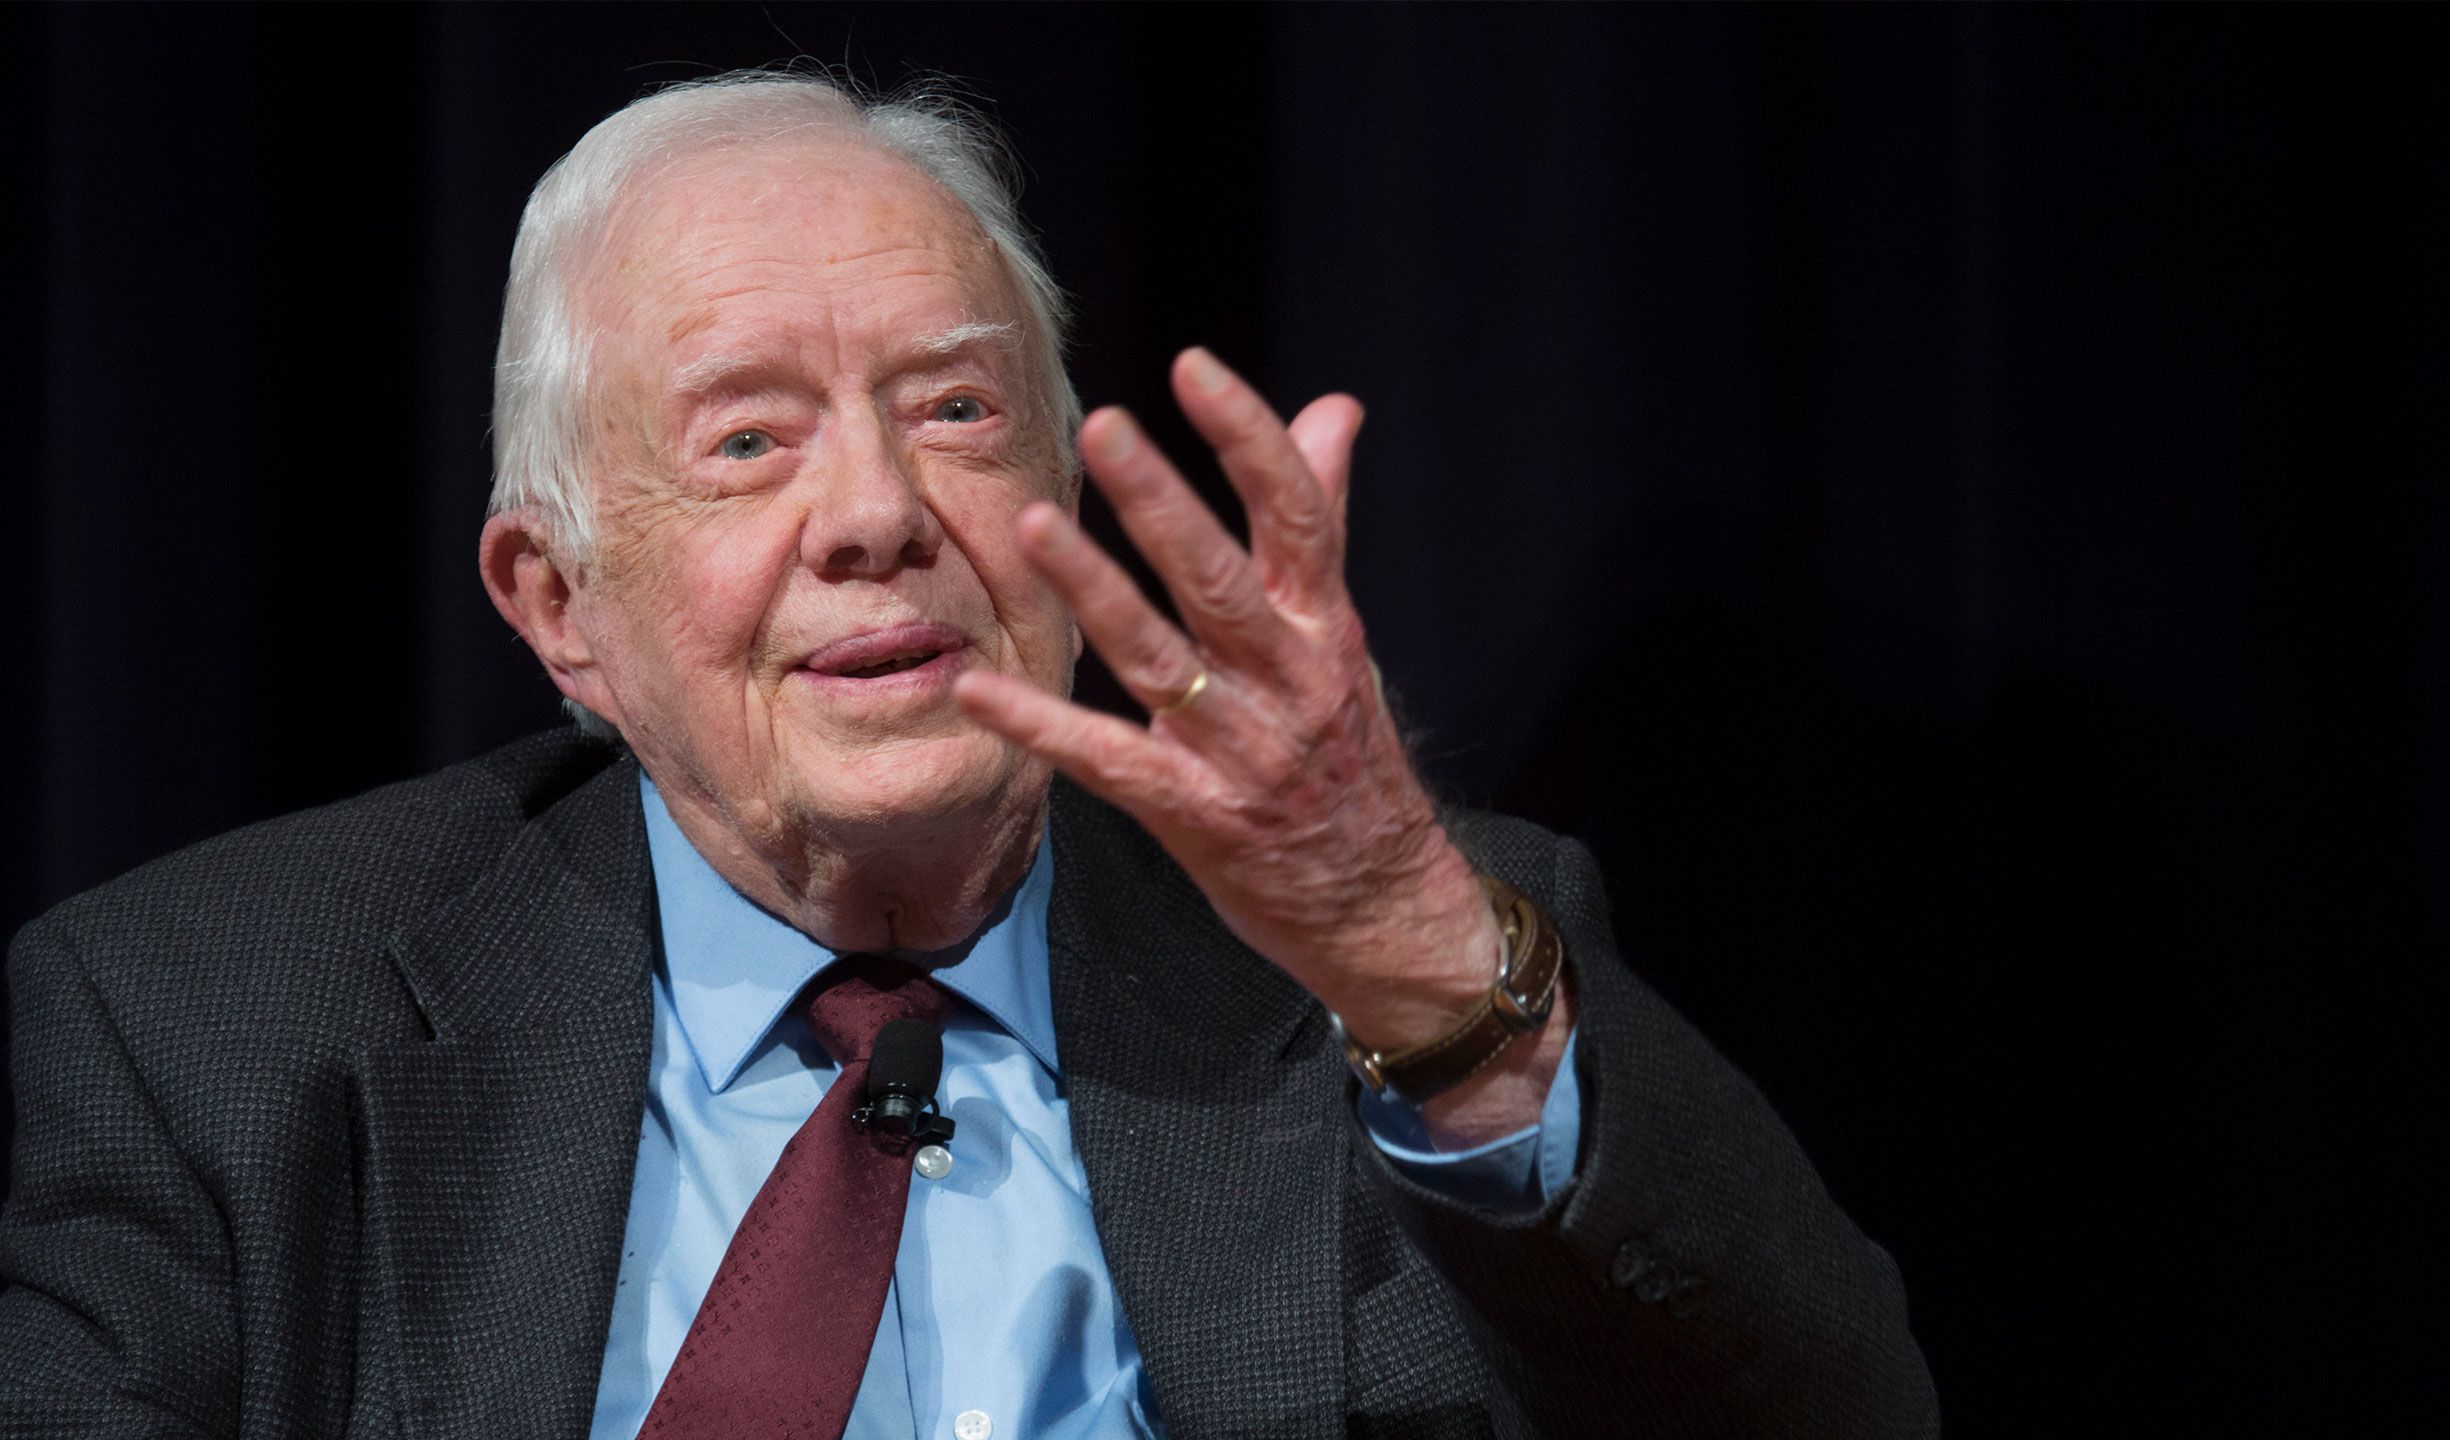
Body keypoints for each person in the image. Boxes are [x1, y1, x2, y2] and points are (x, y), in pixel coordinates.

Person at [0, 72, 1935, 1439]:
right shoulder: (203, 1025)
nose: (878, 511)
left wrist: (1429, 973)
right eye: (750, 439)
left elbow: (1829, 1413)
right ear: (554, 602)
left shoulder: (1380, 982)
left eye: (953, 408)